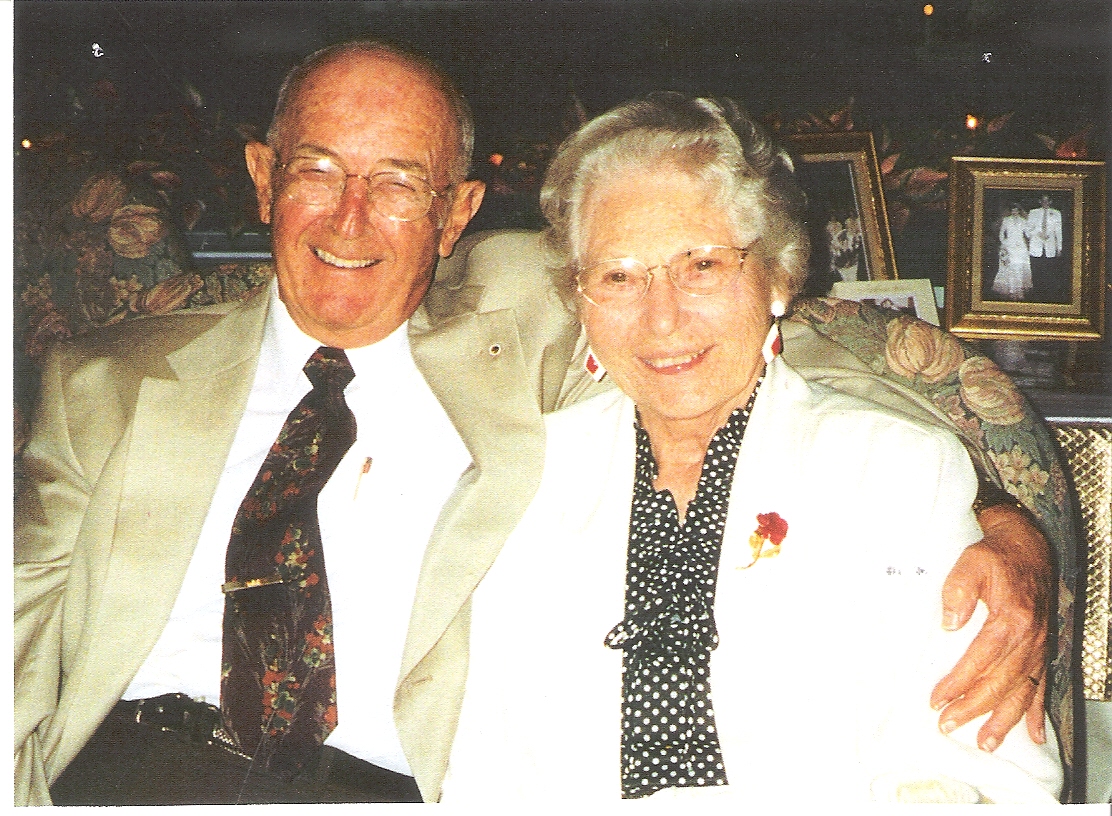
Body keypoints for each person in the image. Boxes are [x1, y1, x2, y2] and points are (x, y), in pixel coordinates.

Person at [14, 41, 1056, 806]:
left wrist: (1004, 526)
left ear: (458, 213)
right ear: (262, 179)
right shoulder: (104, 382)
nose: (349, 217)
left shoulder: (517, 345)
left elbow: (782, 352)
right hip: (131, 774)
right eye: (317, 170)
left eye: (398, 182)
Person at [443, 93, 1063, 804]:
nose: (662, 317)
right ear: (580, 297)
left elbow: (987, 773)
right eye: (618, 276)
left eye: (702, 266)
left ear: (776, 277)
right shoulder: (532, 474)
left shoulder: (895, 471)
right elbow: (482, 772)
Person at [1026, 193, 1065, 302]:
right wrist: (1038, 233)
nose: (1045, 203)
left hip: (1050, 247)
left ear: (1051, 202)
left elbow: (1058, 232)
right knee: (1036, 271)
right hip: (1036, 247)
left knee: (1049, 272)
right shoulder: (1033, 212)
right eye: (1043, 200)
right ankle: (1037, 296)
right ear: (1040, 201)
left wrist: (1059, 248)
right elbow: (1027, 230)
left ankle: (1048, 297)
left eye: (1047, 201)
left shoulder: (1056, 213)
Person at [992, 204, 1033, 300]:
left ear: (1019, 211)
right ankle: (1012, 290)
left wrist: (1032, 228)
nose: (1015, 212)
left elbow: (1028, 234)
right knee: (1011, 268)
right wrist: (1004, 244)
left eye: (1016, 210)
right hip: (1010, 246)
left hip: (1020, 247)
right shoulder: (1006, 220)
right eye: (1013, 210)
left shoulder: (1023, 221)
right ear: (1011, 211)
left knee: (1020, 267)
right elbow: (1001, 234)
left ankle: (1019, 291)